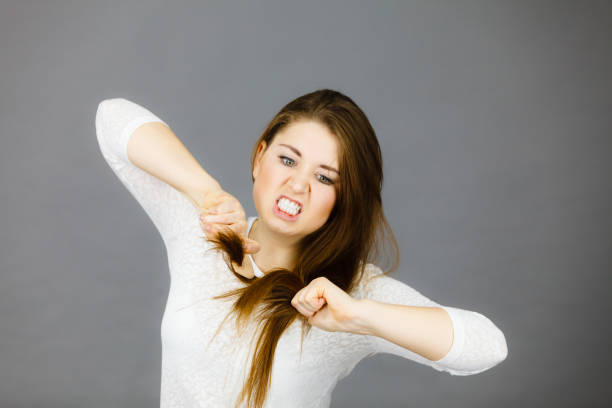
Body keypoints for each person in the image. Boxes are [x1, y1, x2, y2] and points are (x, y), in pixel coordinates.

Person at [94, 90, 508, 408]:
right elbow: (112, 117)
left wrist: (359, 316)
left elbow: (488, 346)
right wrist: (205, 191)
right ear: (260, 158)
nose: (297, 185)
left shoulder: (350, 292)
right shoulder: (205, 231)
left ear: (343, 199)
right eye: (288, 160)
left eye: (325, 178)